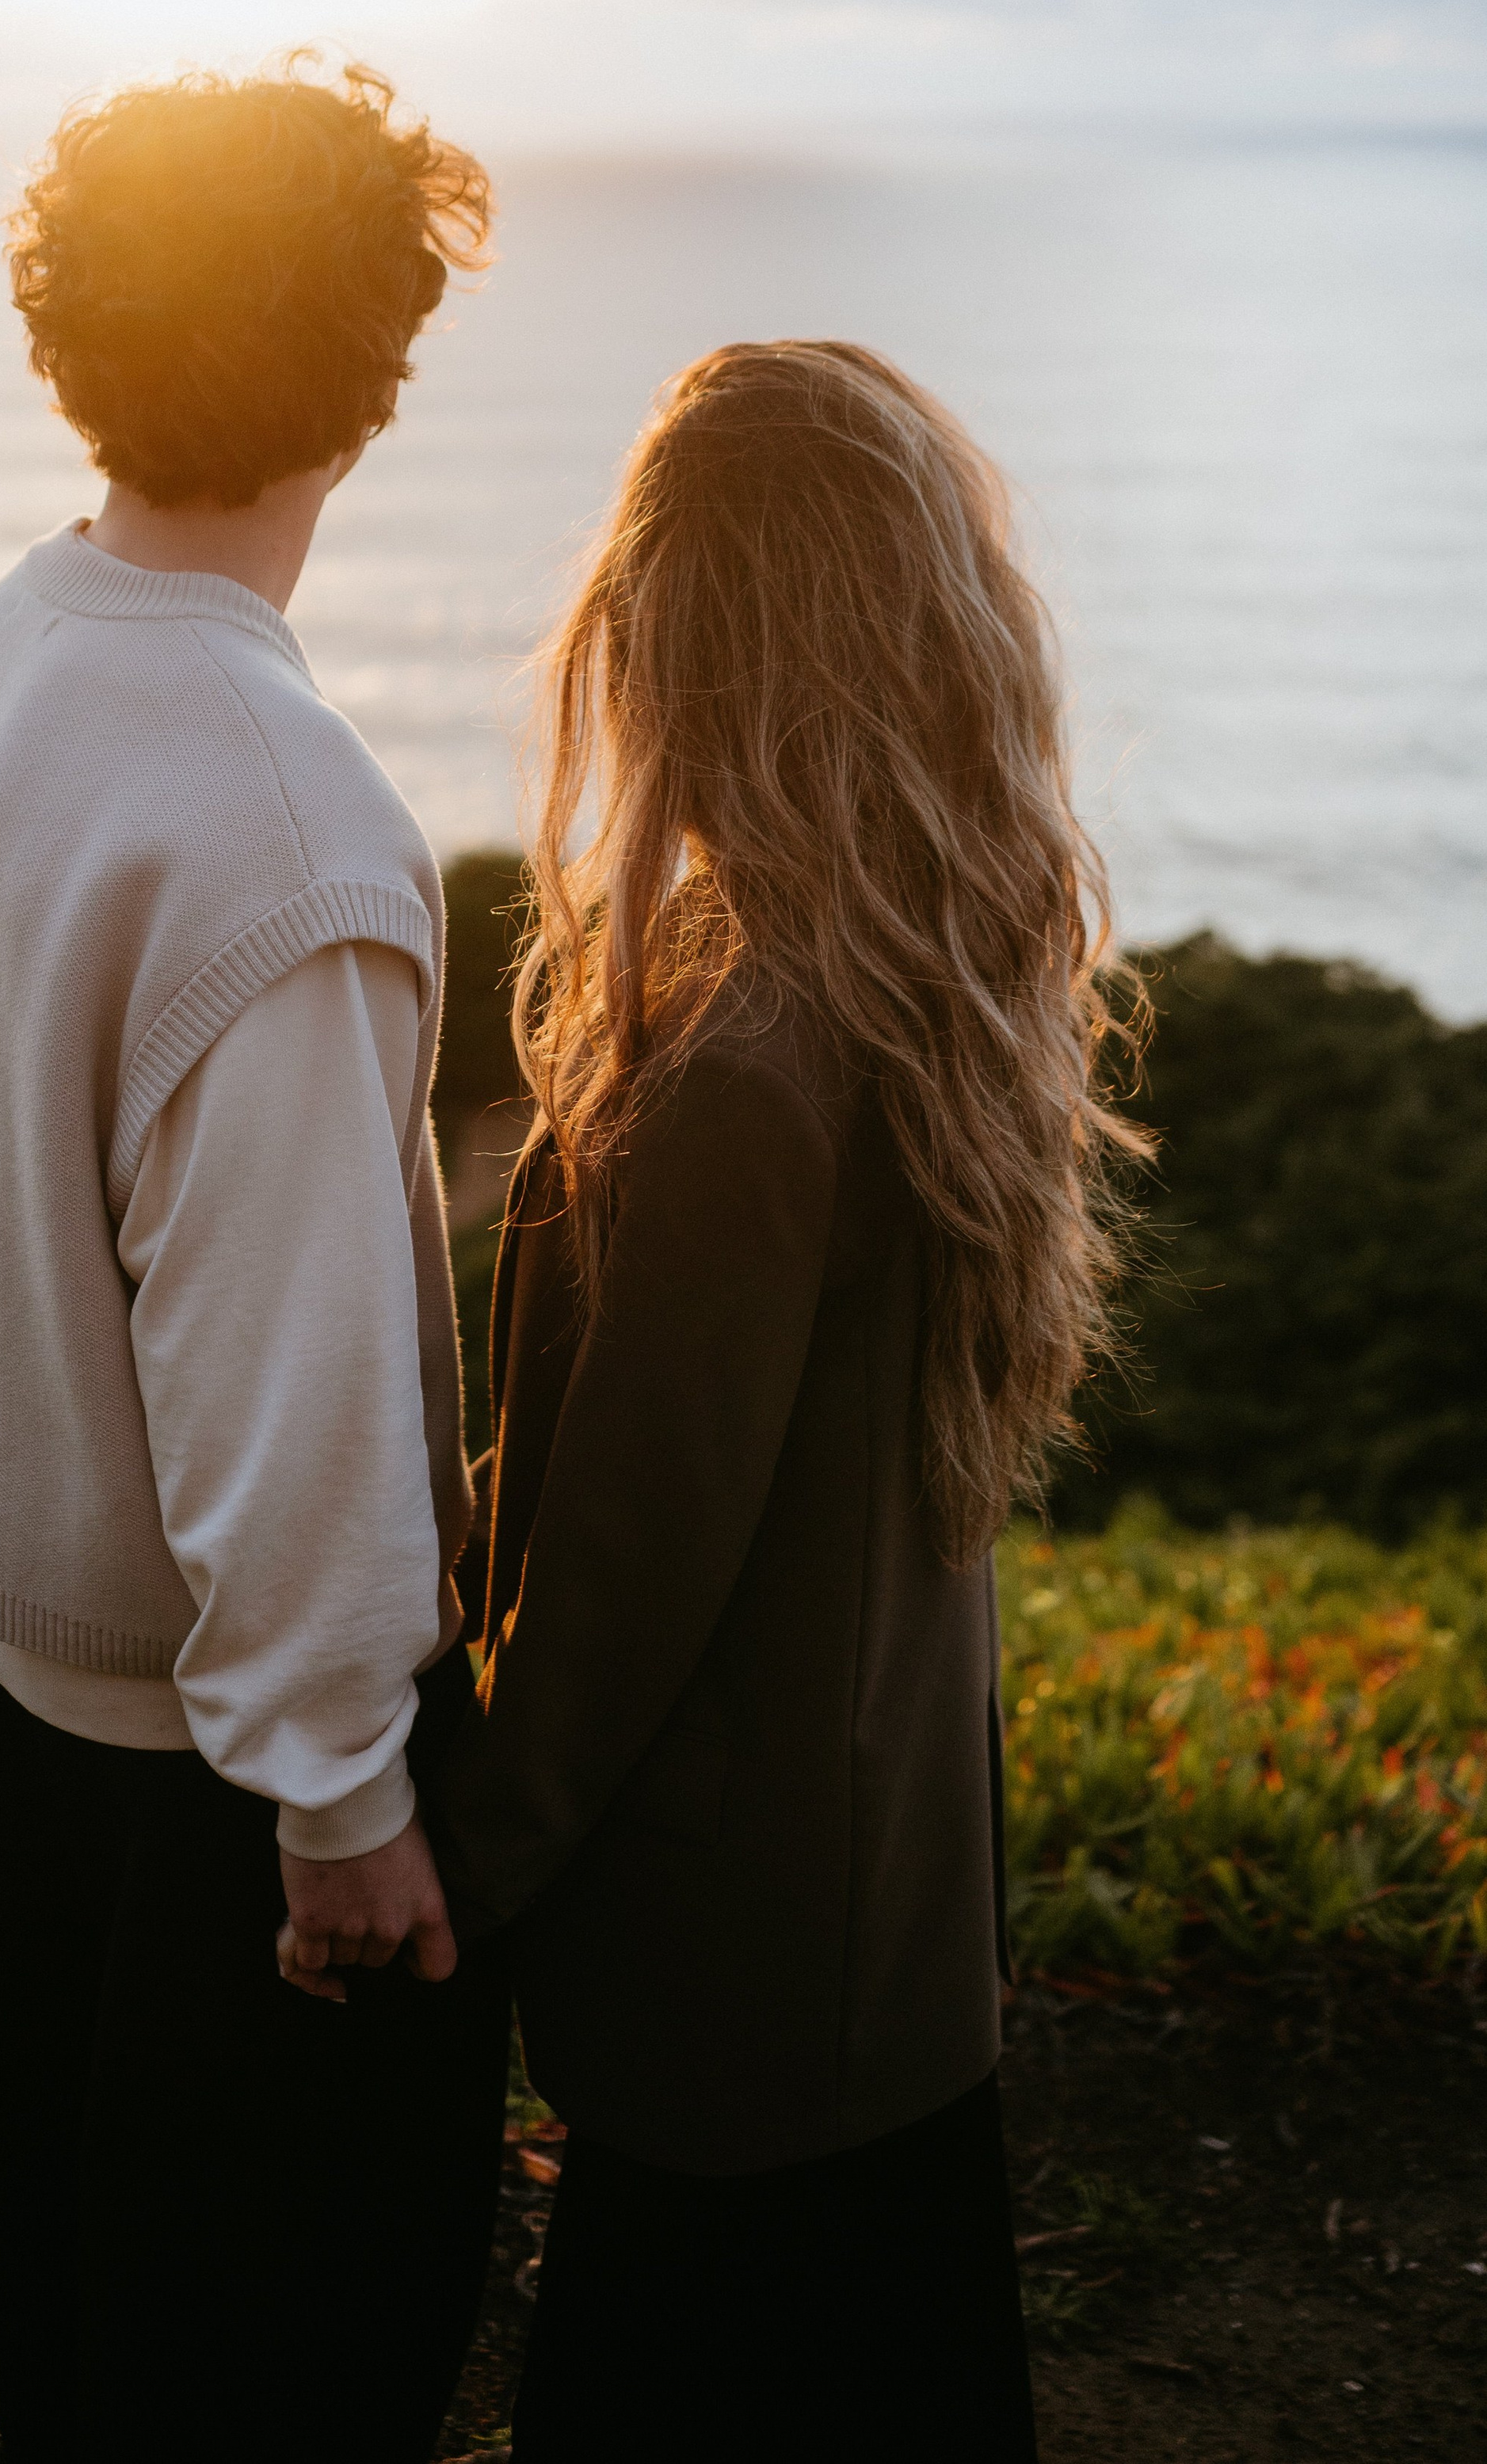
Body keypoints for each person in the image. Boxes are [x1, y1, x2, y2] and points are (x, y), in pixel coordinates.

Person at [0, 59, 512, 2462]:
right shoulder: (285, 826)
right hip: (218, 1788)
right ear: (377, 368)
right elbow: (286, 1364)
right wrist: (341, 1805)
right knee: (291, 2364)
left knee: (77, 2326)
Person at [425, 341, 1145, 2461]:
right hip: (885, 1947)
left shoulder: (748, 1064)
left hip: (732, 1994)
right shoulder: (935, 979)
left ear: (685, 643)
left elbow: (634, 1561)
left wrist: (455, 1869)